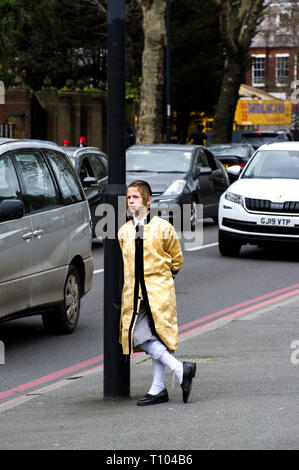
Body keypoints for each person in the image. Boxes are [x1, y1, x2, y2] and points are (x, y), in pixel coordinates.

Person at [117, 180, 196, 406]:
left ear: (148, 200)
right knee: (137, 334)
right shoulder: (124, 231)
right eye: (128, 197)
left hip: (158, 294)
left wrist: (161, 281)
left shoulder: (163, 227)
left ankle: (158, 388)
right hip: (135, 295)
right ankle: (180, 369)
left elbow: (176, 259)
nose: (131, 201)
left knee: (160, 336)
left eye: (136, 197)